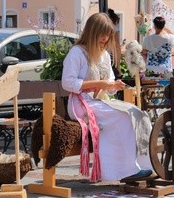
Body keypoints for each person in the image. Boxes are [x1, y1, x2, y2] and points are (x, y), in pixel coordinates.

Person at [61, 13, 153, 182]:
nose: (105, 40)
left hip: (99, 101)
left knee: (135, 112)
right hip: (81, 104)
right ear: (92, 32)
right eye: (102, 36)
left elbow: (108, 82)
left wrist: (112, 86)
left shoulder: (103, 55)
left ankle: (142, 165)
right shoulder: (77, 53)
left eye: (107, 36)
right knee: (122, 116)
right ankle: (124, 171)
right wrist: (100, 83)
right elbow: (67, 82)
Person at [107, 9, 122, 79]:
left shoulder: (102, 28)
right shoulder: (115, 29)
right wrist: (118, 66)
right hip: (111, 56)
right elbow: (117, 47)